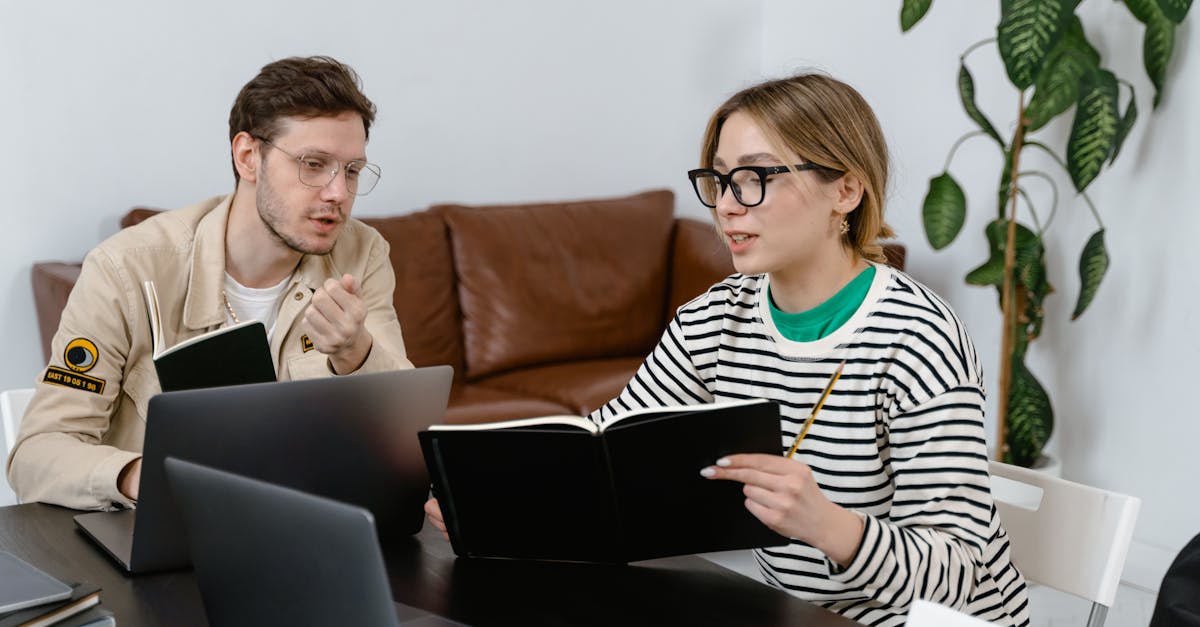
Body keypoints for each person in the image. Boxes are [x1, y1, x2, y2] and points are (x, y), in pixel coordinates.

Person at [425, 73, 1029, 626]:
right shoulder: (716, 317)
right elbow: (599, 451)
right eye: (719, 178)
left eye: (758, 177)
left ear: (846, 190)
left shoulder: (918, 338)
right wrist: (499, 500)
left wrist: (829, 526)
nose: (726, 204)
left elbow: (957, 575)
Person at [7, 55, 413, 511]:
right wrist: (145, 476)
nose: (338, 193)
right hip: (168, 538)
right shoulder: (125, 269)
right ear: (248, 156)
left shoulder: (363, 253)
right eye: (314, 164)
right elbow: (36, 455)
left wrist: (355, 353)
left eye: (352, 171)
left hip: (310, 527)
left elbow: (404, 431)